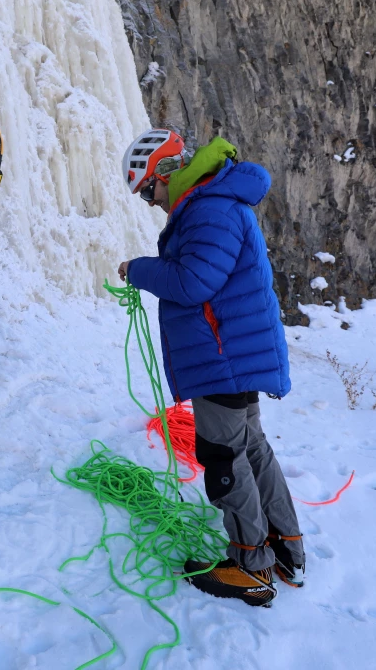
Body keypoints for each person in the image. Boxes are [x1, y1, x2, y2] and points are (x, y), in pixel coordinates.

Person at [117, 129, 304, 608]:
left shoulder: (208, 208)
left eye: (146, 191)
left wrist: (138, 269)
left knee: (224, 457)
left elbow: (193, 281)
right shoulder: (213, 200)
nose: (149, 201)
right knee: (251, 448)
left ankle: (250, 566)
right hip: (233, 353)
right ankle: (286, 550)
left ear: (166, 172)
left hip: (224, 357)